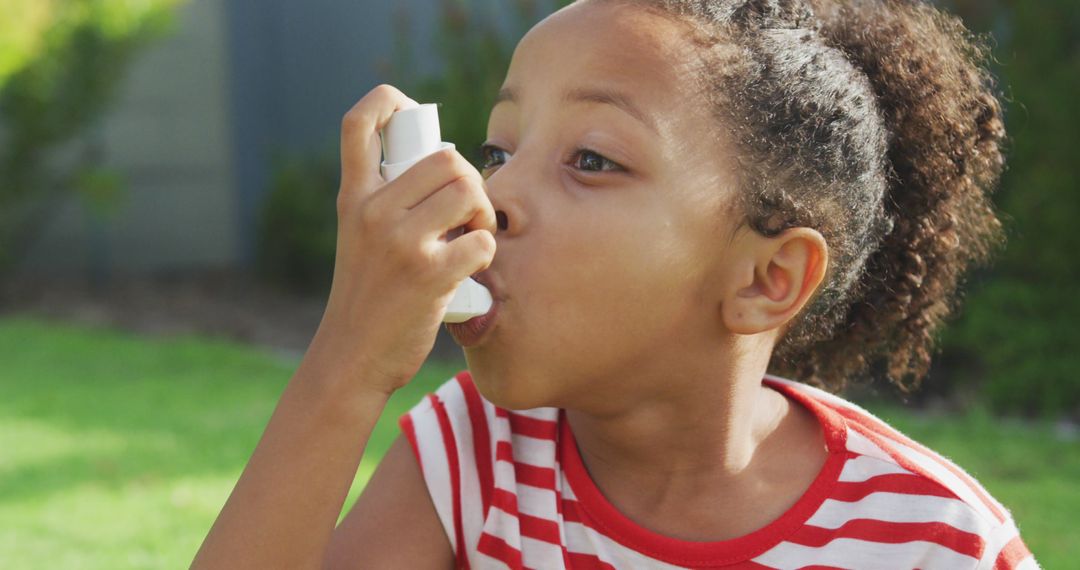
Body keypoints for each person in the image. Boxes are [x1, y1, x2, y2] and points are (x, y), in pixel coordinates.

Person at [193, 0, 1039, 568]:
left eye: (591, 160)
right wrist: (347, 365)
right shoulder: (474, 459)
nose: (492, 197)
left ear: (766, 277)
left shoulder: (934, 543)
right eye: (499, 150)